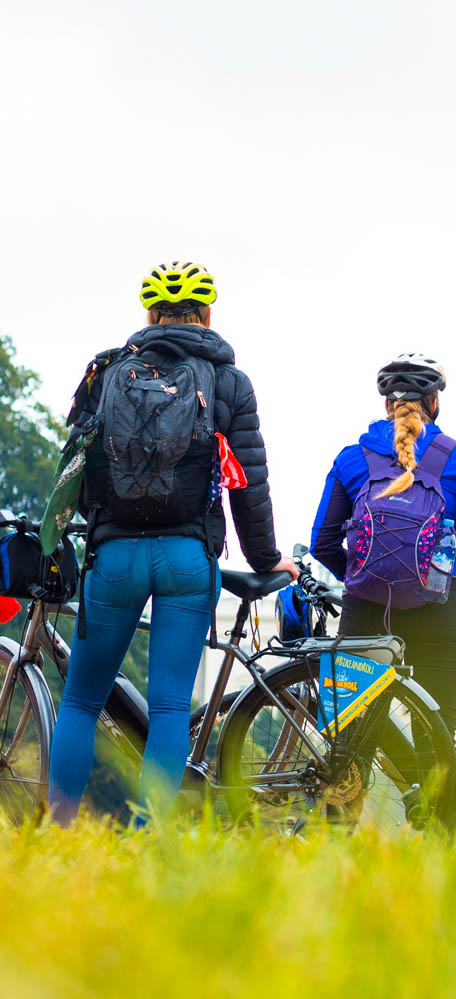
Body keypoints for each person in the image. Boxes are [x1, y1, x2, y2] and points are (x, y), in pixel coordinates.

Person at [49, 262, 297, 824]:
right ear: (206, 316)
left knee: (83, 701)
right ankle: (151, 841)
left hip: (114, 557)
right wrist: (265, 558)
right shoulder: (230, 382)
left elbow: (75, 467)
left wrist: (95, 525)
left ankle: (58, 831)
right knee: (167, 706)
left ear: (149, 315)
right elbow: (249, 484)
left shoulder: (108, 372)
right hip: (188, 557)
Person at [309, 354, 456, 735]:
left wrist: (361, 574)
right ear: (434, 403)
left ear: (386, 405)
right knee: (435, 740)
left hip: (366, 610)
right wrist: (455, 581)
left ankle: (345, 791)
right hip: (440, 611)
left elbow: (322, 541)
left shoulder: (352, 459)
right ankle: (428, 795)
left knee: (349, 737)